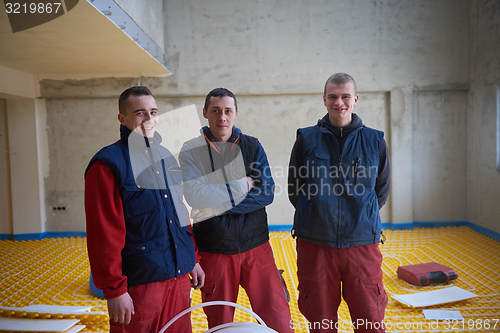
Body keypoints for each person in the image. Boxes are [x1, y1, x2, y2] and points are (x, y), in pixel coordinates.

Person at [84, 86, 205, 333]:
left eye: (153, 112)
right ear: (122, 118)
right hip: (140, 284)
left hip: (178, 278)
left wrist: (191, 258)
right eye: (140, 113)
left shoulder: (165, 157)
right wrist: (115, 290)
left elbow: (179, 212)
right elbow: (103, 234)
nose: (149, 119)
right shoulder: (107, 164)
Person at [179, 88, 294, 333]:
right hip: (215, 252)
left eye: (228, 111)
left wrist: (216, 204)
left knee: (278, 318)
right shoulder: (191, 150)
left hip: (257, 247)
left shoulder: (252, 146)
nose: (222, 117)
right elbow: (195, 196)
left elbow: (266, 193)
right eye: (216, 111)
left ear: (236, 114)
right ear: (205, 113)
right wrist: (242, 187)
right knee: (220, 324)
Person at [288, 73, 391, 333]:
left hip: (361, 243)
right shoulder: (306, 138)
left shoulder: (375, 140)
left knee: (370, 317)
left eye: (345, 96)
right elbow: (295, 187)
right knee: (320, 321)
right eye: (333, 96)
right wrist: (315, 214)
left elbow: (381, 188)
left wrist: (360, 217)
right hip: (315, 243)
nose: (339, 102)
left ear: (355, 99)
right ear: (324, 100)